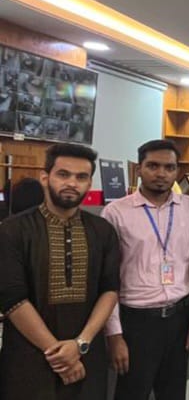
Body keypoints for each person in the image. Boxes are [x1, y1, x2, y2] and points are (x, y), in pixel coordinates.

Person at [0, 143, 120, 399]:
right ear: (45, 177)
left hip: (86, 356)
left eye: (81, 177)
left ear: (89, 183)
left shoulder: (103, 231)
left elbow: (110, 290)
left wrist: (80, 345)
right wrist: (60, 355)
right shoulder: (13, 230)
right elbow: (13, 299)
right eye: (63, 174)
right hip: (29, 359)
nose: (72, 183)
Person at [101, 140, 189, 400]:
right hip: (136, 322)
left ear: (177, 171)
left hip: (179, 318)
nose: (161, 173)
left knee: (174, 393)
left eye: (169, 168)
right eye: (153, 166)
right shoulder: (116, 212)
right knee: (131, 393)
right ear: (139, 169)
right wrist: (114, 334)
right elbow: (107, 278)